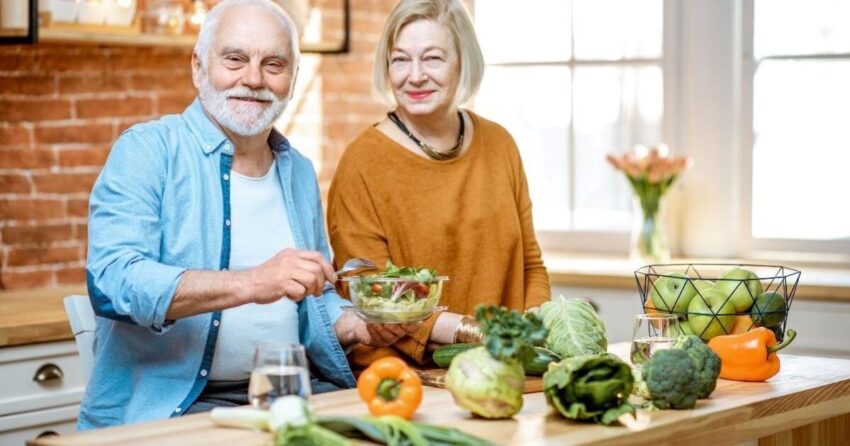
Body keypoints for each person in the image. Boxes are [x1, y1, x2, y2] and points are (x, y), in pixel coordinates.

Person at [78, 0, 417, 430]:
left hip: (293, 394)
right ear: (199, 68)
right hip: (178, 408)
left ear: (292, 79)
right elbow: (113, 282)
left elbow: (314, 299)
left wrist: (357, 326)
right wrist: (253, 282)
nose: (253, 79)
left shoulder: (297, 170)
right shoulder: (147, 150)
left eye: (273, 64)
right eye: (235, 59)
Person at [326, 0, 550, 369]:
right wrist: (474, 332)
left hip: (504, 369)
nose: (414, 76)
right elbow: (374, 298)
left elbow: (530, 265)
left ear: (463, 61)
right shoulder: (362, 162)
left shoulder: (500, 144)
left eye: (432, 58)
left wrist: (532, 325)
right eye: (400, 60)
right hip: (403, 377)